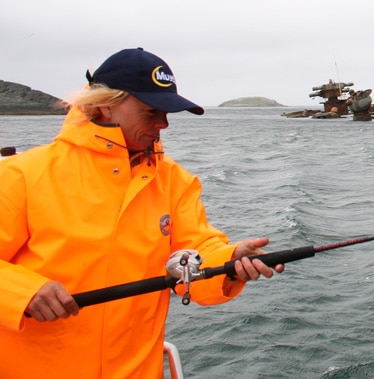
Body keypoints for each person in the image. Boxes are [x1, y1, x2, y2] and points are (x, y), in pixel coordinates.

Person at [0, 48, 283, 378]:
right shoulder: (22, 175)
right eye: (152, 112)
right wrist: (23, 292)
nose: (163, 124)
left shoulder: (174, 181)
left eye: (167, 113)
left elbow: (194, 254)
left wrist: (230, 262)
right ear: (106, 105)